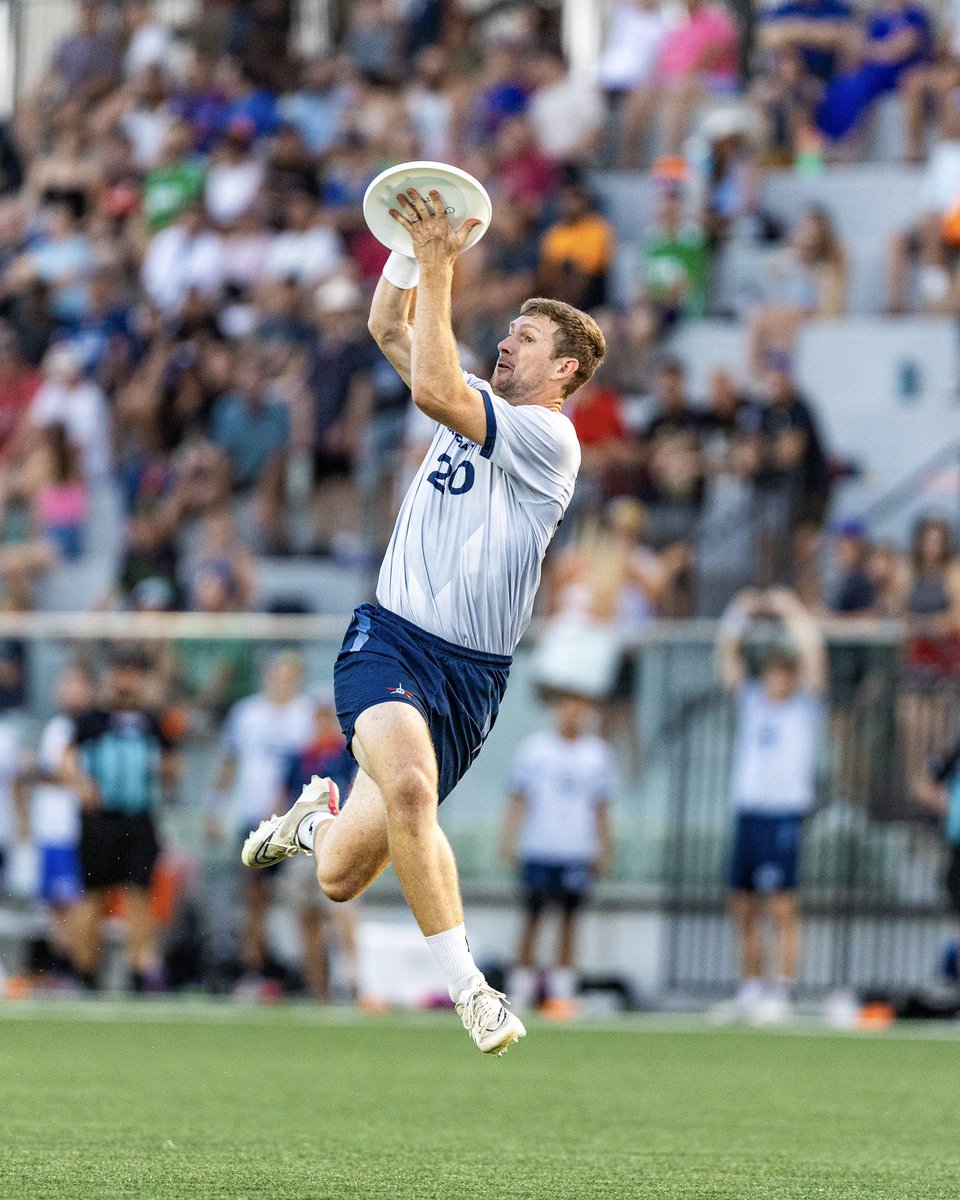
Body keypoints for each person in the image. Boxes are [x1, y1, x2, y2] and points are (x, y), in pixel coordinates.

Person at [241, 185, 606, 1055]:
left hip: (469, 682)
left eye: (528, 336)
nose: (509, 338)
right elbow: (389, 330)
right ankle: (470, 990)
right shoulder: (473, 393)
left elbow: (438, 385)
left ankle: (317, 816)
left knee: (338, 875)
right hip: (393, 638)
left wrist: (443, 265)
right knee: (409, 789)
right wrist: (408, 254)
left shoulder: (549, 438)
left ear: (563, 373)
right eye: (511, 327)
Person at [716, 587, 827, 1022]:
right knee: (741, 905)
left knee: (782, 905)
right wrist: (739, 612)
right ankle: (750, 988)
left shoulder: (805, 709)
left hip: (784, 813)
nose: (778, 679)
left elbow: (814, 650)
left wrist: (789, 608)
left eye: (786, 671)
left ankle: (782, 991)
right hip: (750, 812)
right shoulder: (752, 704)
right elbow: (727, 655)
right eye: (773, 671)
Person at [63, 648, 179, 991]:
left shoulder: (151, 720)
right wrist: (82, 786)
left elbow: (171, 762)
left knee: (138, 895)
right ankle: (84, 971)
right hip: (100, 821)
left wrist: (166, 773)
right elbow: (67, 757)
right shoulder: (93, 719)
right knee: (94, 895)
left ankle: (138, 971)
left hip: (139, 819)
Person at [500, 694, 615, 1015]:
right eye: (565, 706)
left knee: (569, 920)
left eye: (579, 707)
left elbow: (601, 806)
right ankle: (520, 989)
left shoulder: (597, 755)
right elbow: (519, 798)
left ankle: (562, 990)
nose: (571, 714)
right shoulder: (535, 750)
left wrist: (605, 847)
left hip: (576, 848)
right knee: (532, 917)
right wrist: (509, 839)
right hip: (540, 845)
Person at [207, 652, 314, 987]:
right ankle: (253, 967)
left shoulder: (307, 715)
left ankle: (308, 972)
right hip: (255, 817)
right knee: (254, 896)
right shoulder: (247, 714)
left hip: (298, 822)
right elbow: (229, 763)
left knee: (303, 900)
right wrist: (214, 809)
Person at [279, 689, 360, 1002]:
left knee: (342, 913)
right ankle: (318, 988)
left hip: (337, 841)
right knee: (307, 918)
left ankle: (352, 979)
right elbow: (284, 798)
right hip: (303, 846)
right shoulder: (301, 756)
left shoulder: (346, 753)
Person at [29, 664, 94, 983]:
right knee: (56, 905)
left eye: (76, 685)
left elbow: (70, 774)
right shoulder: (57, 726)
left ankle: (77, 968)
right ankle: (61, 965)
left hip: (71, 828)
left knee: (74, 900)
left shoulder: (88, 727)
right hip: (49, 827)